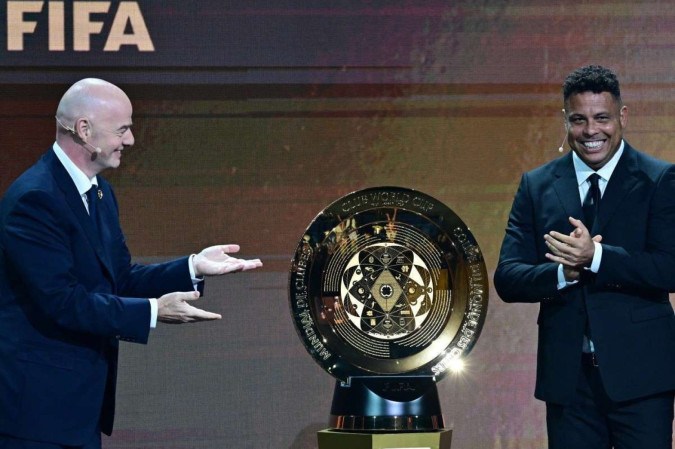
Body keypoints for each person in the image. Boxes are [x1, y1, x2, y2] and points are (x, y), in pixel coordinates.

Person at [0, 78, 263, 448]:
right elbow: (63, 302)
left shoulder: (101, 192)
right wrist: (154, 312)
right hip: (36, 414)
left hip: (78, 409)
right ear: (84, 130)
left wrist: (192, 267)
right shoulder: (35, 200)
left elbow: (118, 278)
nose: (131, 140)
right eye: (122, 129)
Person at [495, 65, 675, 448]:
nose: (591, 131)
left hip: (642, 380)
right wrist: (563, 273)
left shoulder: (659, 180)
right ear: (566, 120)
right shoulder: (537, 185)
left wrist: (597, 257)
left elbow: (670, 268)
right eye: (579, 120)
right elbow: (508, 277)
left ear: (622, 117)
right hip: (569, 382)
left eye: (602, 118)